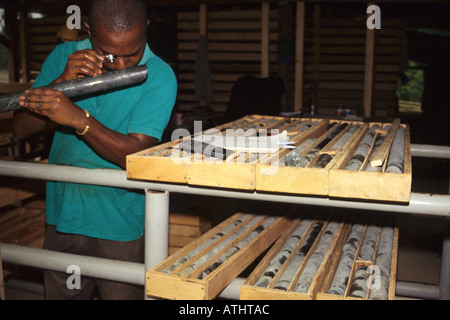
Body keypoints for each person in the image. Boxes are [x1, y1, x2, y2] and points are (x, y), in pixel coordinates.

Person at [12, 0, 177, 300]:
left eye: (133, 53)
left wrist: (77, 118)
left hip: (119, 225)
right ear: (88, 31)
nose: (122, 65)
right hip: (63, 216)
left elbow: (135, 152)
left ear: (146, 29)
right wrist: (60, 84)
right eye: (110, 54)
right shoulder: (63, 56)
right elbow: (19, 129)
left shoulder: (160, 75)